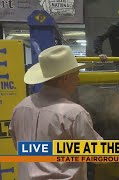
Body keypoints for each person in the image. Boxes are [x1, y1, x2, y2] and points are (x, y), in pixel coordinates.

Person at [9, 45, 102, 180]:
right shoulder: (74, 113)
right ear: (65, 78)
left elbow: (19, 146)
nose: (78, 80)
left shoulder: (20, 108)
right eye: (76, 75)